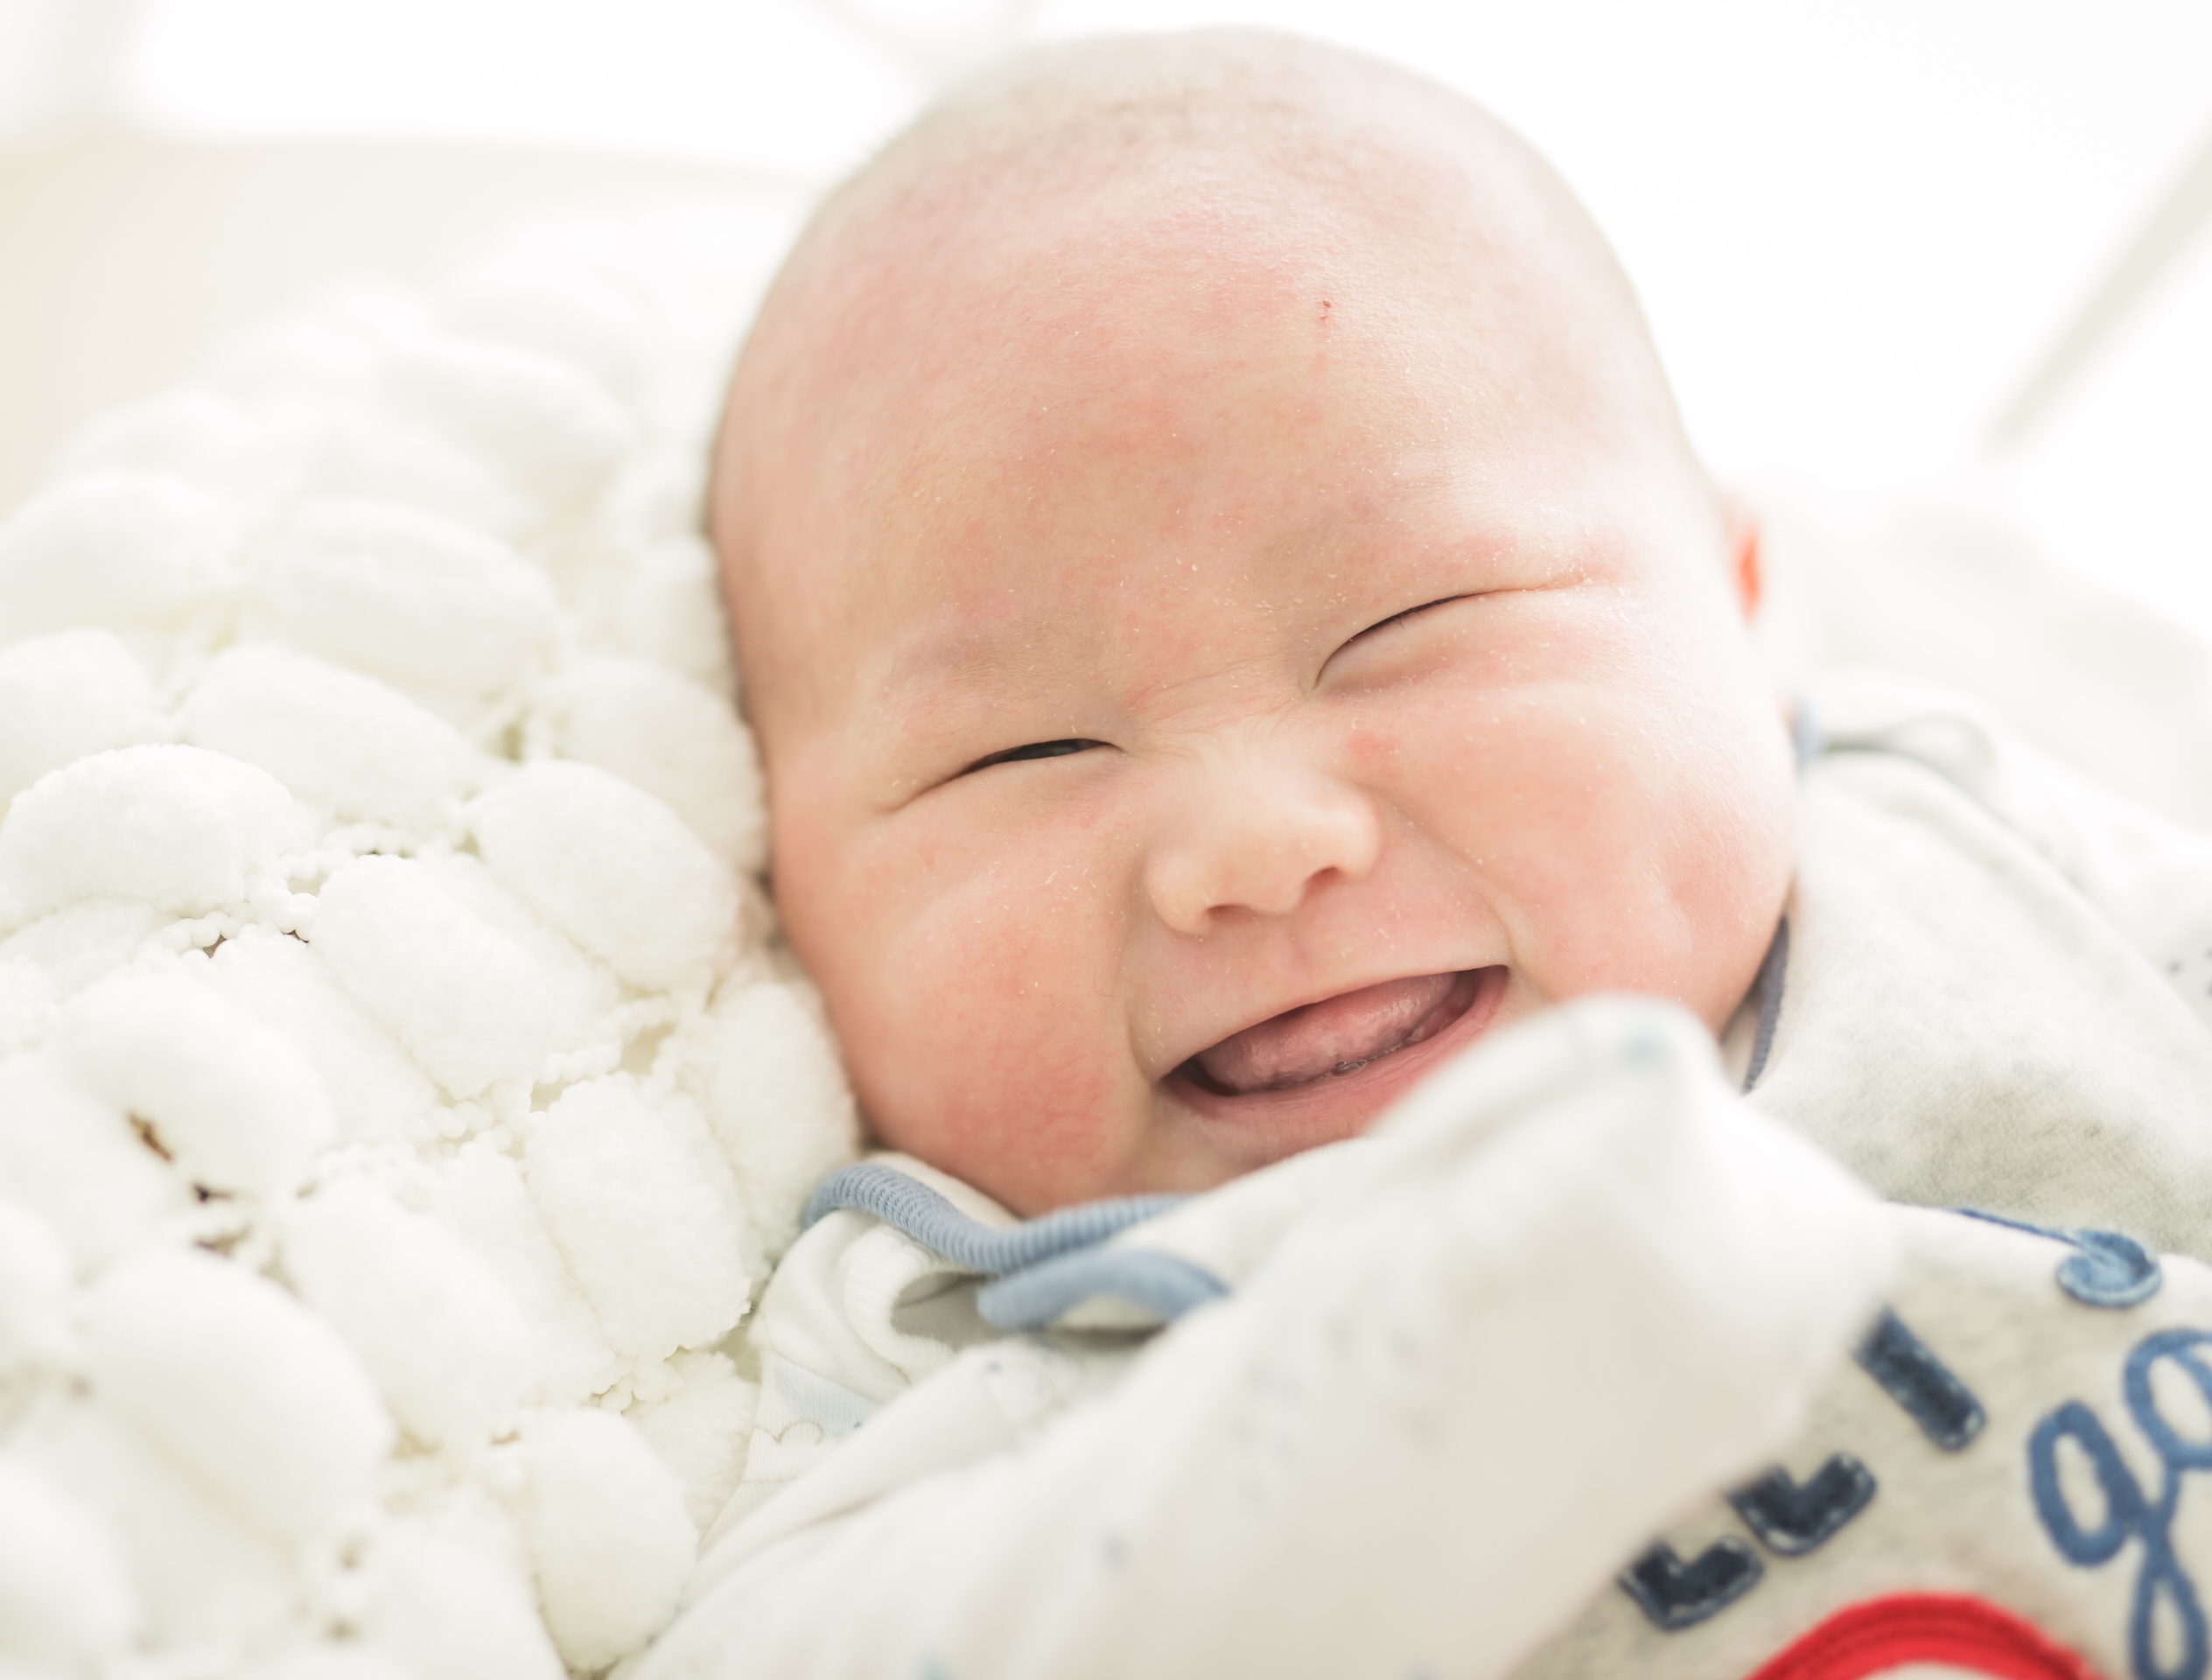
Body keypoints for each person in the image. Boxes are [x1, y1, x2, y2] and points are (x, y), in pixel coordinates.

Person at [634, 30, 2212, 1676]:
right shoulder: (961, 1327)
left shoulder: (1965, 846)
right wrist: (1394, 1419)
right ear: (779, 887)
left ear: (1736, 610)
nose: (1251, 844)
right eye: (1019, 754)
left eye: (1413, 622)